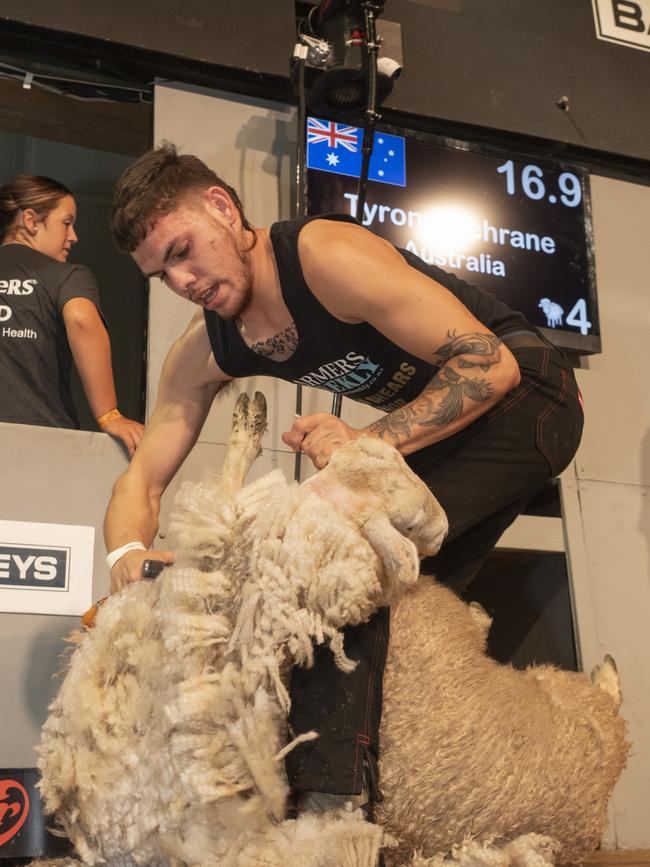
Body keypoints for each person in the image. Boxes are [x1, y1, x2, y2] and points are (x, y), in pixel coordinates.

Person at [103, 143, 583, 817]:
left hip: (531, 398)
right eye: (162, 273)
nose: (182, 279)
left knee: (335, 556)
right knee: (408, 610)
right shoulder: (210, 343)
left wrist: (364, 441)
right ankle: (432, 798)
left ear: (221, 206)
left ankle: (331, 815)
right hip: (451, 434)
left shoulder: (325, 255)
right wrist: (126, 556)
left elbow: (488, 366)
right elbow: (142, 479)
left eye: (183, 249)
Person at [0, 174, 144, 456]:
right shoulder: (67, 276)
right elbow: (81, 319)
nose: (73, 236)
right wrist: (109, 415)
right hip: (42, 441)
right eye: (66, 223)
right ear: (30, 221)